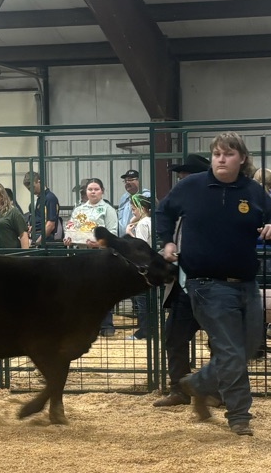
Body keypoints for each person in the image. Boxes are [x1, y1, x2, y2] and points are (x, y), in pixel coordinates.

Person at [156, 132, 271, 436]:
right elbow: (164, 211)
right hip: (207, 284)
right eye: (217, 154)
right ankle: (239, 415)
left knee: (248, 348)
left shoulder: (254, 191)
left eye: (228, 154)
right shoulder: (191, 186)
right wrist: (166, 242)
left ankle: (198, 384)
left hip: (246, 283)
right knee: (231, 351)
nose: (221, 159)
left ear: (242, 159)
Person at [153, 155, 212, 407]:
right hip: (183, 283)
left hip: (212, 283)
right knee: (175, 337)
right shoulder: (178, 209)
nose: (181, 183)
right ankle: (179, 389)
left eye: (185, 178)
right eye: (180, 179)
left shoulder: (215, 205)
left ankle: (216, 391)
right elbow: (162, 214)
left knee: (220, 341)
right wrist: (167, 243)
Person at [64, 178, 119, 337]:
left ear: (102, 191)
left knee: (103, 290)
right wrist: (68, 239)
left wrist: (99, 243)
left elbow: (113, 233)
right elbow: (71, 228)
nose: (93, 192)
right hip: (82, 254)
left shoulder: (108, 210)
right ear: (86, 192)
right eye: (90, 189)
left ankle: (106, 325)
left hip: (101, 255)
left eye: (96, 189)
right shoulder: (78, 210)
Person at [124, 193, 154, 341]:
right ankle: (149, 329)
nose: (133, 212)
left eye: (134, 209)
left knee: (142, 302)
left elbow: (140, 246)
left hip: (143, 267)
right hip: (151, 264)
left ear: (142, 208)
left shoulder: (142, 224)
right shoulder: (150, 221)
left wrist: (129, 234)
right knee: (148, 301)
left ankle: (144, 331)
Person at [0, 184, 29, 249]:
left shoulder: (13, 212)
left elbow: (23, 235)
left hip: (11, 252)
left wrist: (25, 253)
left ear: (2, 196)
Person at [23, 171, 61, 244]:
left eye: (32, 187)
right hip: (39, 236)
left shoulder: (50, 198)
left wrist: (38, 242)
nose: (31, 191)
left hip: (45, 239)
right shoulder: (40, 199)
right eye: (29, 189)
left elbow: (50, 225)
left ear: (39, 181)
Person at [117, 169, 151, 236]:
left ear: (138, 181)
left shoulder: (146, 196)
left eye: (130, 180)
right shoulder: (123, 198)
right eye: (125, 181)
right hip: (123, 238)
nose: (127, 182)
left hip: (138, 236)